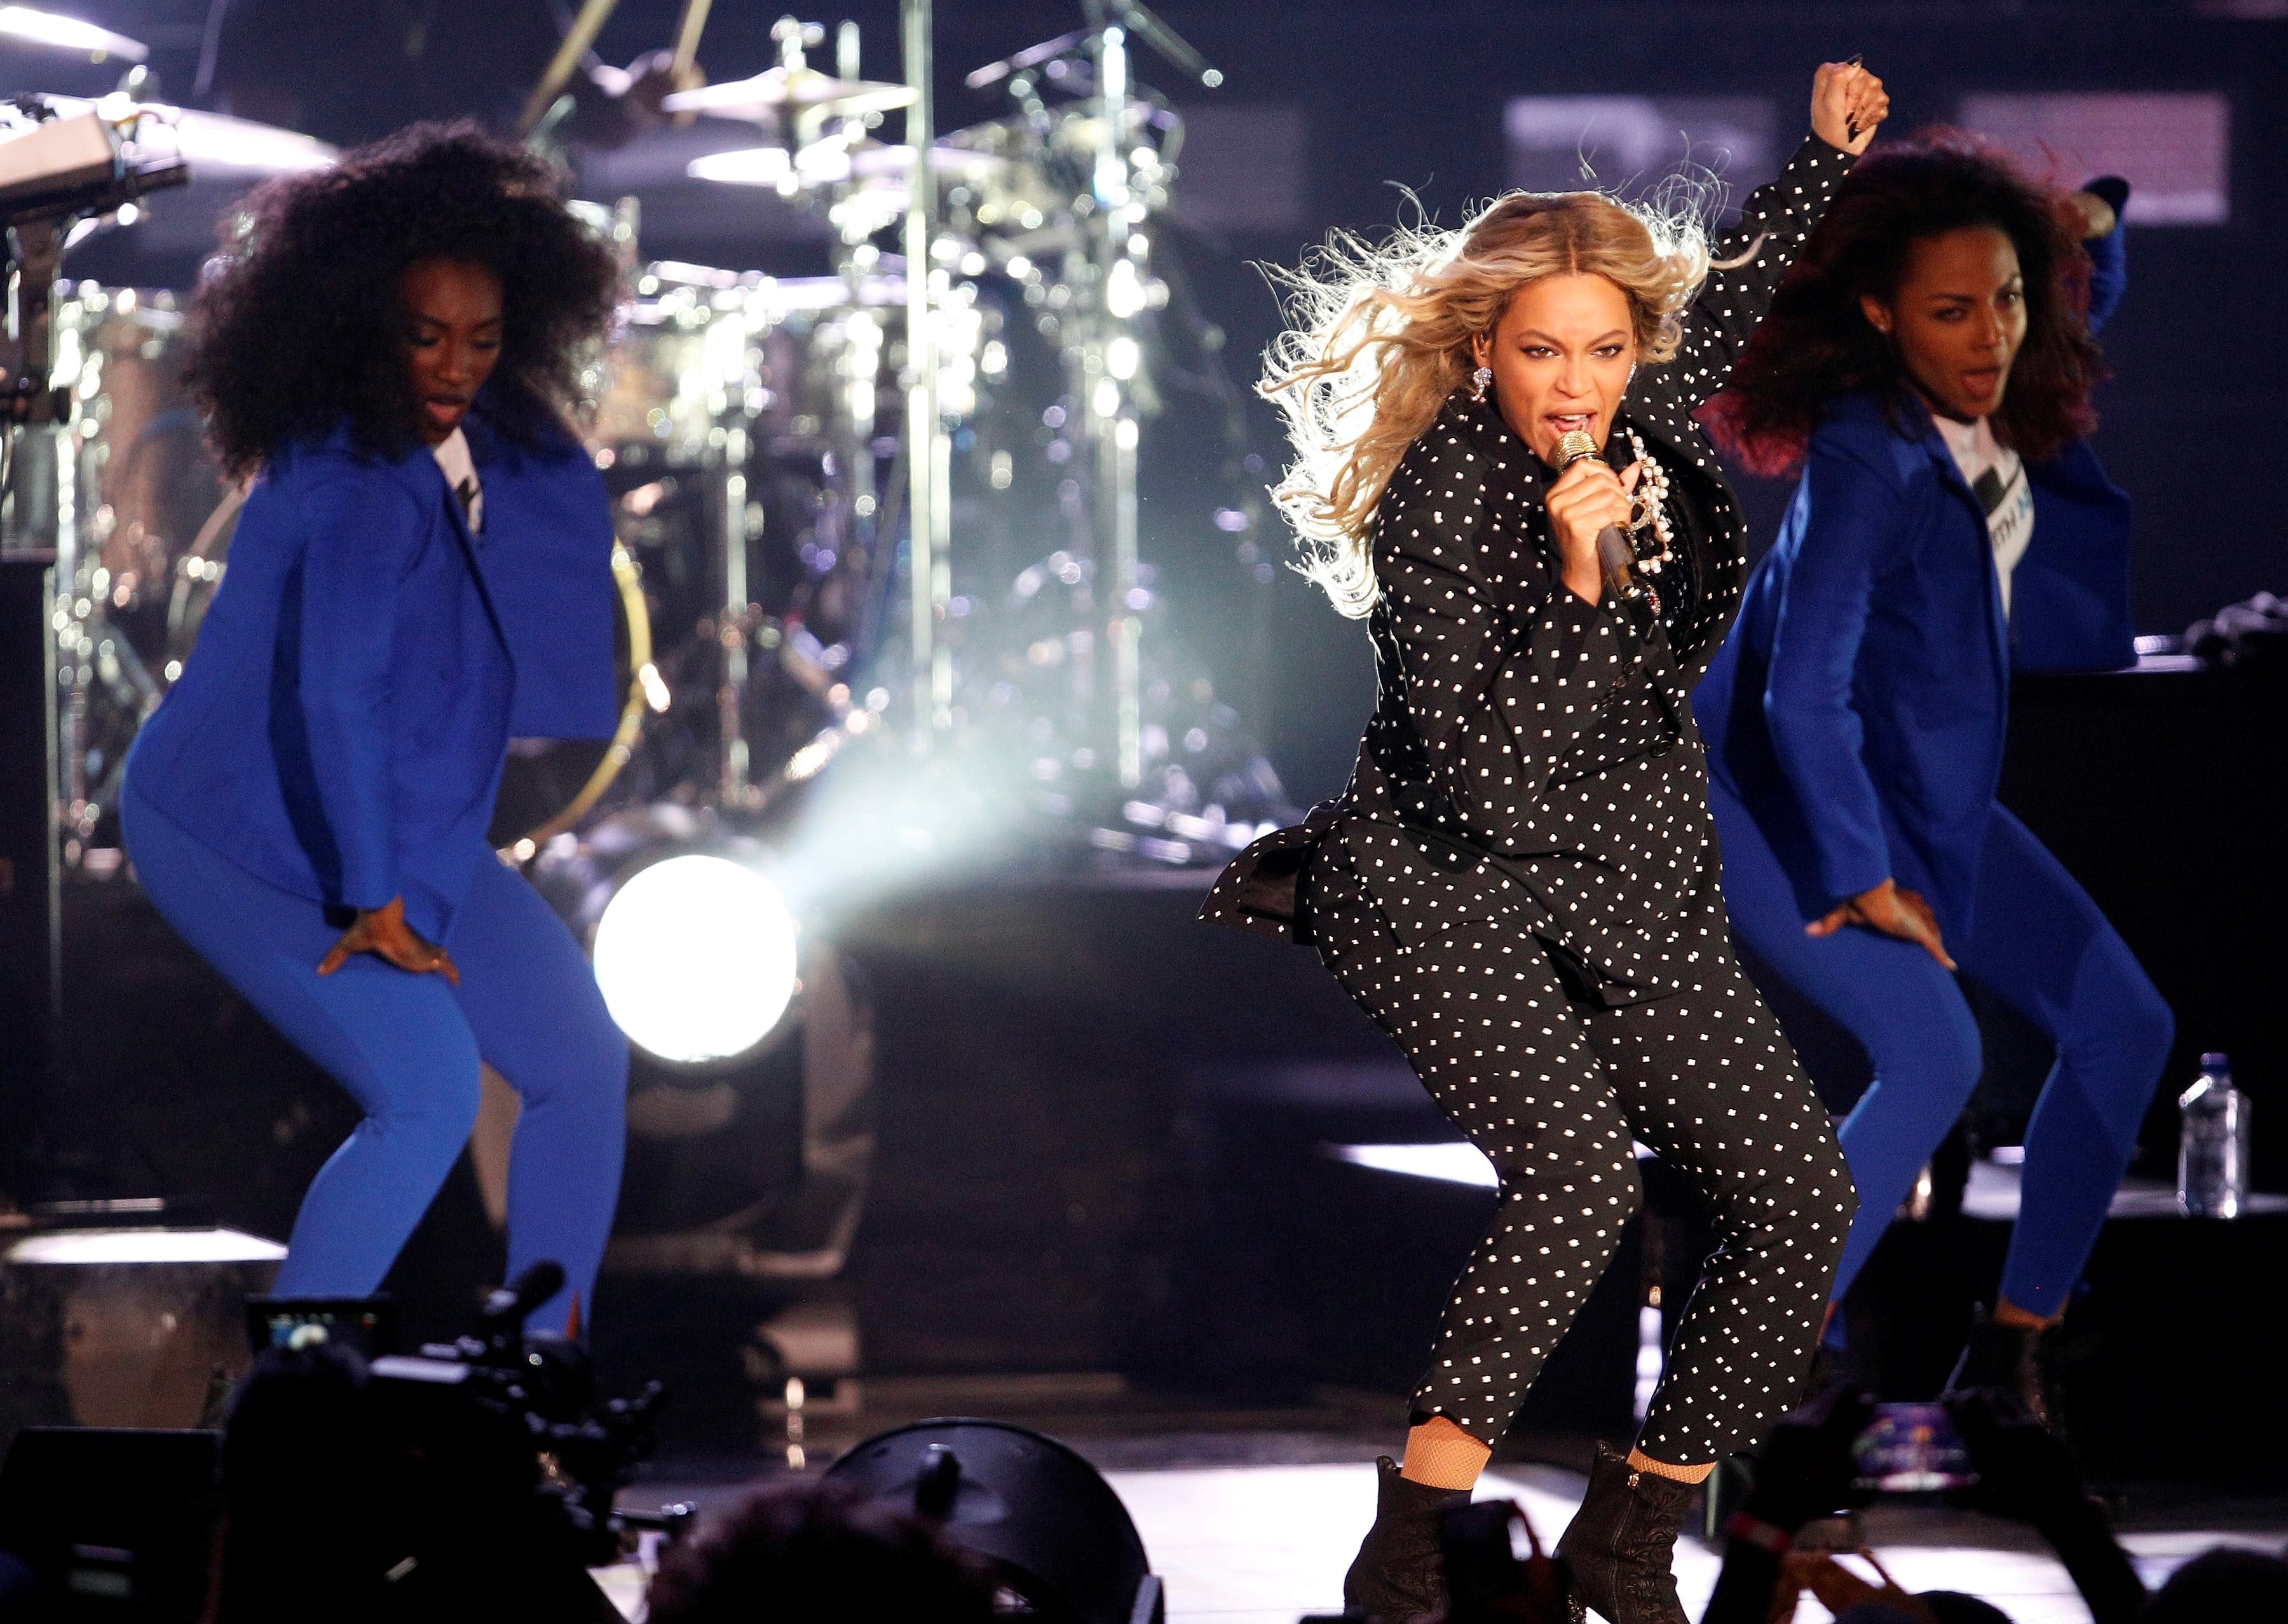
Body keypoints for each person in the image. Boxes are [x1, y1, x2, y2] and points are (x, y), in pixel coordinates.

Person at [1202, 60, 1890, 1624]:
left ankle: (1635, 1530)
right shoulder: (1440, 501)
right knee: (1576, 1177)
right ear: (1481, 349)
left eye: (1605, 347)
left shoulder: (1636, 393)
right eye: (1538, 352)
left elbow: (1733, 292)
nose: (1576, 384)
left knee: (1797, 1191)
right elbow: (1488, 780)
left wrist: (1822, 158)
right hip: (1445, 882)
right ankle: (1417, 1542)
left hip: (1628, 880)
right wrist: (1585, 587)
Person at [121, 123, 628, 1337]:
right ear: (359, 323)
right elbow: (338, 694)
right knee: (430, 1092)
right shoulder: (349, 480)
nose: (455, 365)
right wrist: (372, 898)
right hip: (238, 827)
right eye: (424, 334)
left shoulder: (479, 440)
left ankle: (541, 1391)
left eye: (484, 338)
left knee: (580, 1061)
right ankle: (286, 1426)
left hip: (382, 821)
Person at [1695, 133, 2172, 1421]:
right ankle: (1752, 1363)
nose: (1991, 335)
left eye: (2009, 298)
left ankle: (2011, 1367)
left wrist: (2097, 220)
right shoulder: (1869, 457)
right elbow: (1803, 691)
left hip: (1914, 789)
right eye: (1952, 311)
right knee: (1933, 1055)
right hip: (1774, 801)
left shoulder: (1997, 384)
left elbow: (2087, 287)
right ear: (1876, 313)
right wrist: (1860, 878)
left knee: (2125, 1028)